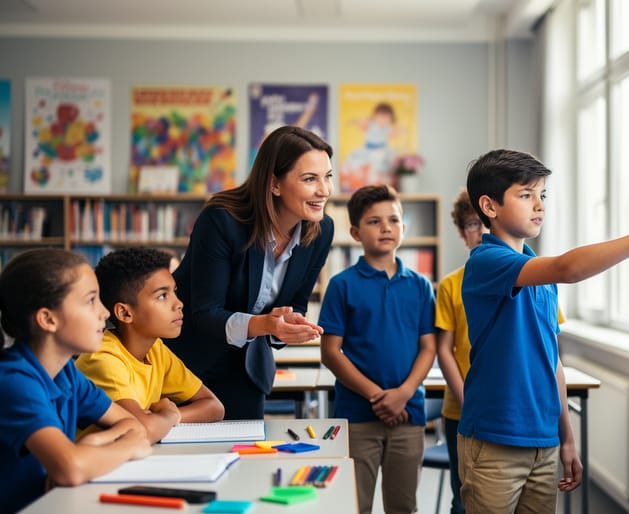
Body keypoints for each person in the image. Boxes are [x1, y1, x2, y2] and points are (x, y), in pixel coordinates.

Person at [458, 149, 629, 512]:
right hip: (496, 440)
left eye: (542, 195)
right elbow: (569, 268)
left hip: (543, 440)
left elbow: (551, 361)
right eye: (525, 195)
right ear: (490, 206)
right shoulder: (487, 262)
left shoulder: (537, 272)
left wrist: (567, 438)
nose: (539, 205)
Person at [166, 125, 334, 419]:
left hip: (246, 368)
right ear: (275, 184)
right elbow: (206, 314)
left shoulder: (320, 230)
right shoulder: (222, 221)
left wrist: (289, 324)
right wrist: (267, 325)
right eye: (310, 179)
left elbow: (296, 303)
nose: (324, 190)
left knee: (246, 455)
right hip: (187, 365)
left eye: (328, 177)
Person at [0, 248, 151, 513]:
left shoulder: (67, 373)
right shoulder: (13, 381)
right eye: (91, 300)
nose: (104, 312)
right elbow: (70, 469)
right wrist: (127, 448)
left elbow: (133, 424)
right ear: (48, 319)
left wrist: (92, 444)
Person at [318, 184, 436, 514]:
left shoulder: (421, 285)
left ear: (403, 227)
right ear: (355, 232)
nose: (386, 227)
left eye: (393, 220)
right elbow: (330, 353)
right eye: (374, 221)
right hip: (357, 417)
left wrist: (403, 393)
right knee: (356, 504)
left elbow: (429, 347)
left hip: (408, 414)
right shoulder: (341, 285)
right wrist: (377, 396)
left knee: (404, 505)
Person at [76, 247, 225, 443]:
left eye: (174, 292)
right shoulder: (103, 358)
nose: (179, 304)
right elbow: (142, 429)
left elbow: (214, 407)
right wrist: (168, 416)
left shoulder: (155, 350)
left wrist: (173, 416)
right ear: (125, 313)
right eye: (162, 296)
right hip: (95, 468)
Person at [434, 189, 487, 514]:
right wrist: (470, 404)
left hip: (509, 413)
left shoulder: (529, 275)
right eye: (471, 224)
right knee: (464, 499)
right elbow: (445, 350)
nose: (480, 232)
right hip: (462, 410)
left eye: (486, 223)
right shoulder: (451, 285)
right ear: (461, 232)